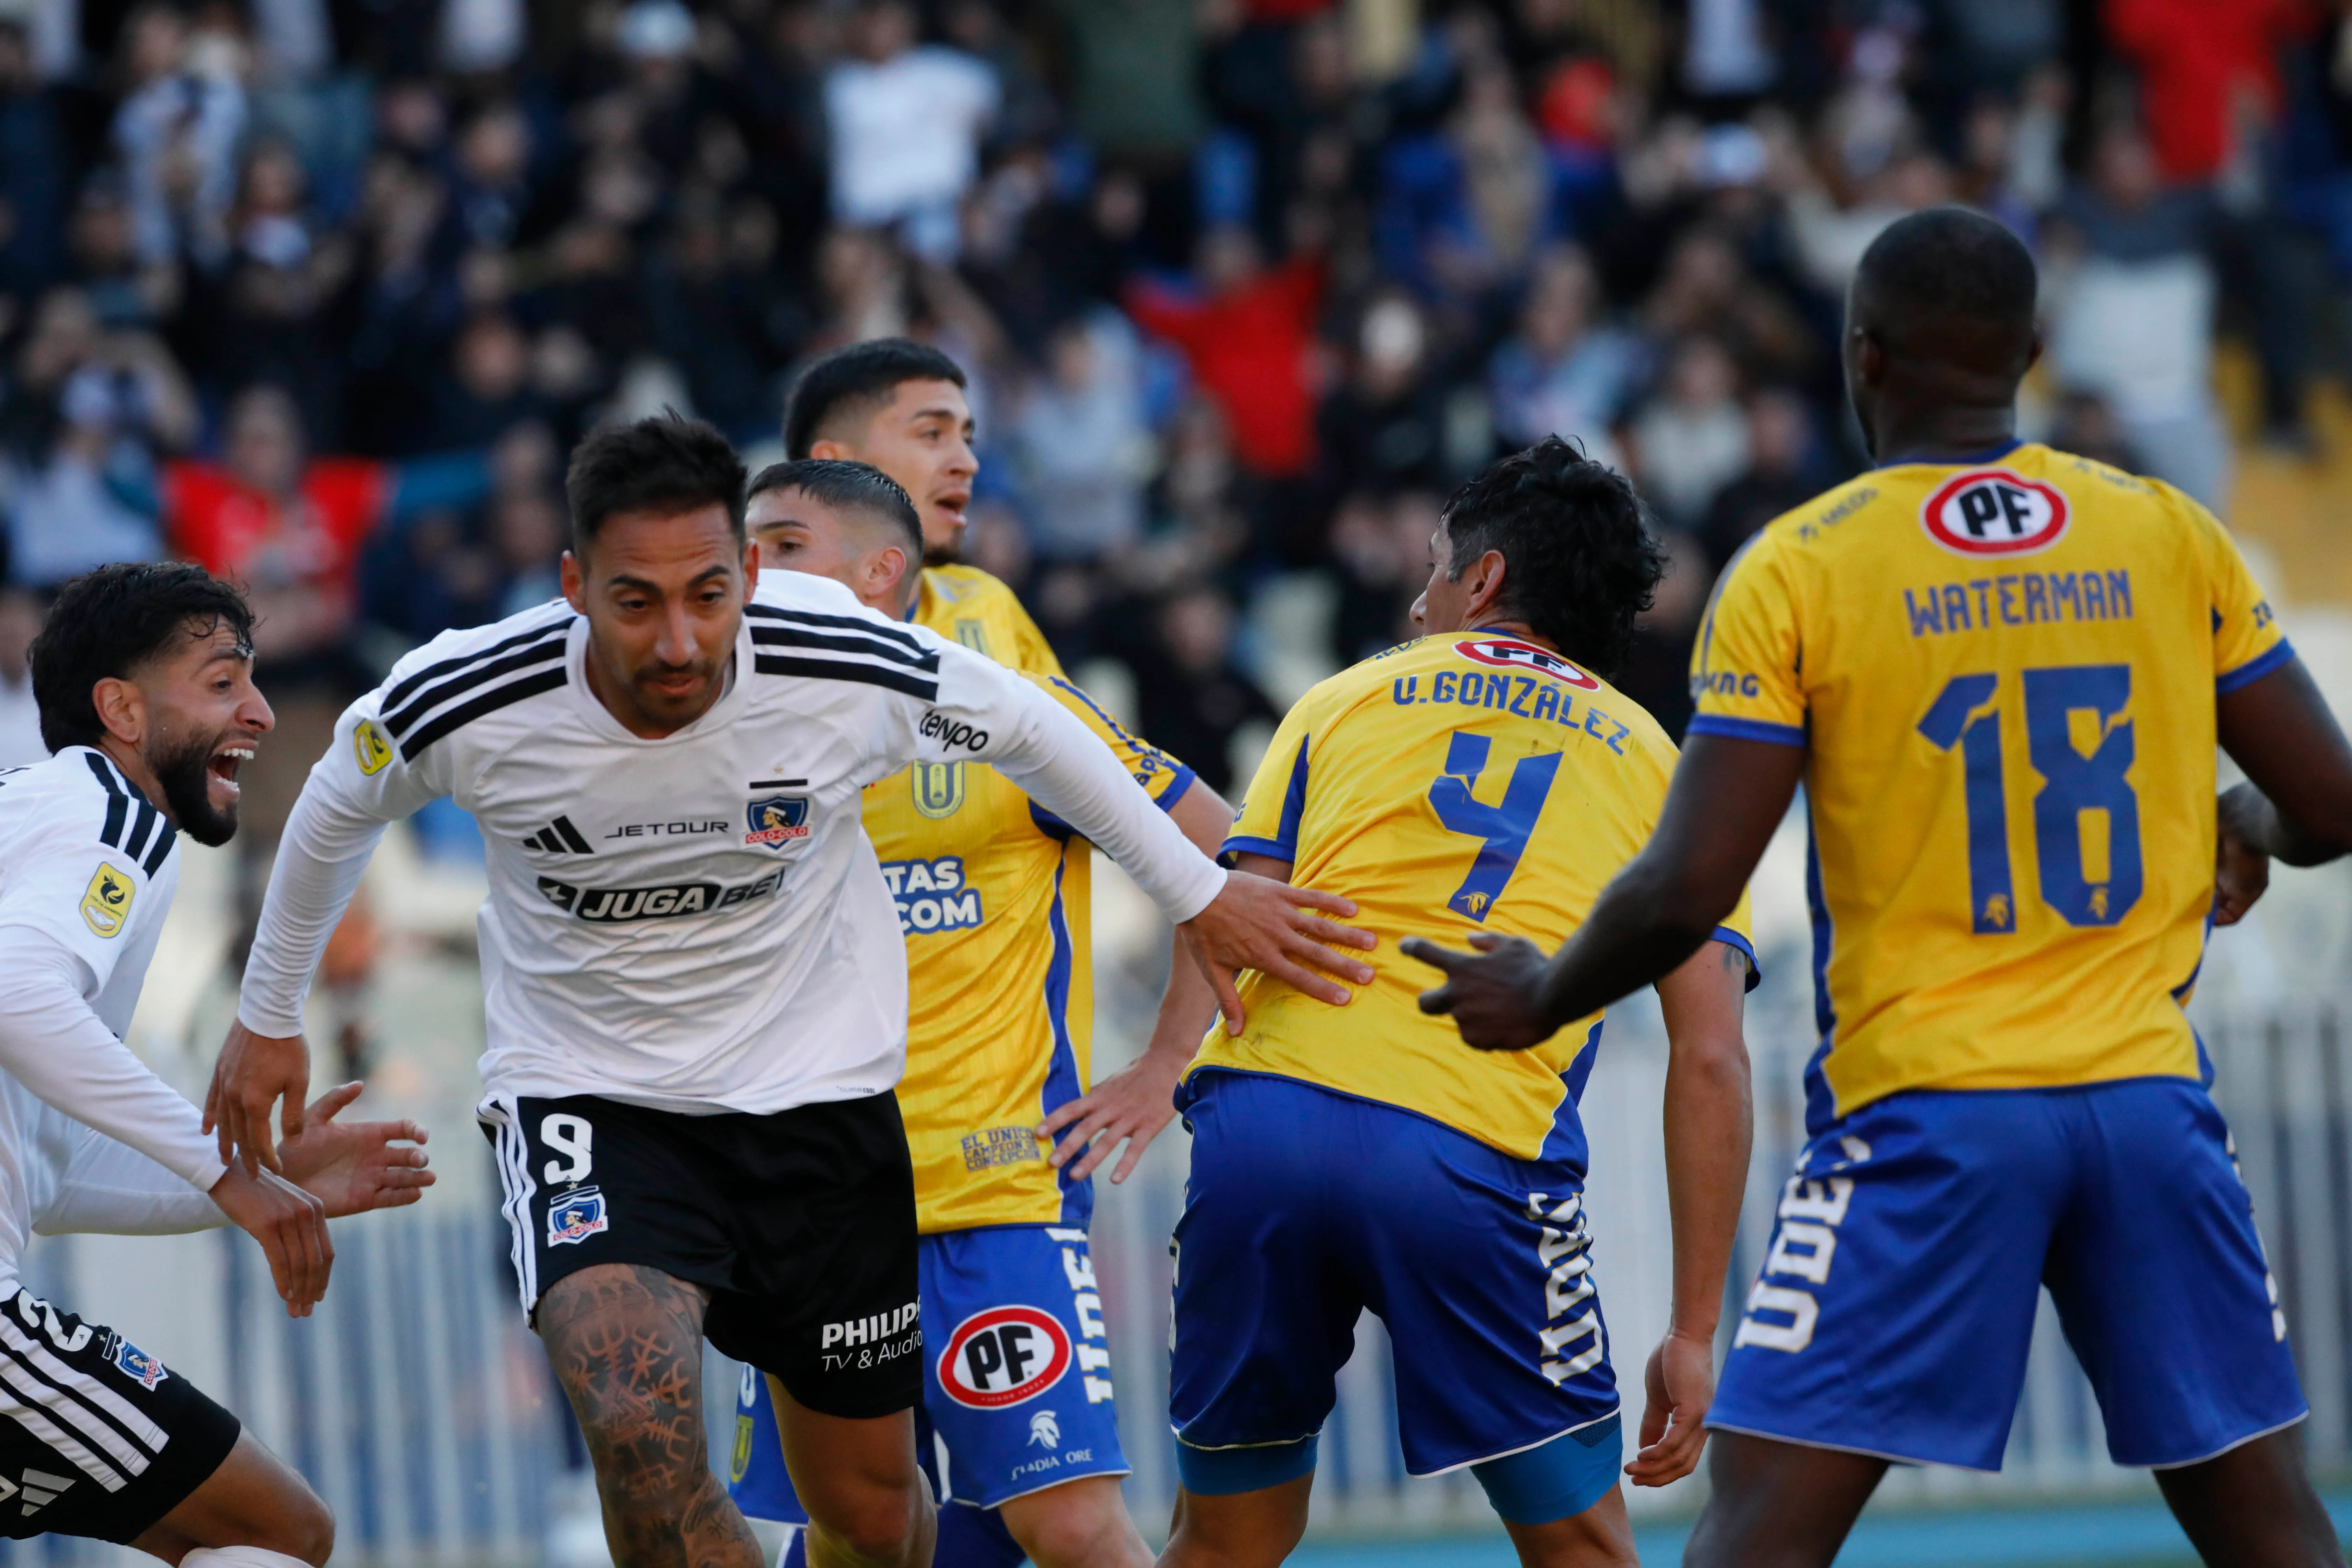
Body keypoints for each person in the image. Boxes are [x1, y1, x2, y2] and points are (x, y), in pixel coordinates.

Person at [204, 414, 1372, 1568]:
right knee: (632, 1415)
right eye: (635, 602)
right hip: (592, 1095)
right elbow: (336, 802)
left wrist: (1192, 892)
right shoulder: (470, 693)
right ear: (571, 584)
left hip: (819, 1104)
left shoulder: (839, 658)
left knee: (867, 1516)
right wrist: (267, 1016)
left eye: (709, 595)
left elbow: (1032, 729)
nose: (677, 642)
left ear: (750, 572)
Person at [1405, 207, 2352, 1568]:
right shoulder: (2166, 532)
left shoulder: (1806, 564)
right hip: (2149, 1102)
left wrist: (1545, 988)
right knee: (2275, 1535)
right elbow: (2331, 804)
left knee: (1755, 1542)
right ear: (2029, 349)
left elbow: (1688, 888)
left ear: (1862, 357)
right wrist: (2241, 819)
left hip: (1931, 1117)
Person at [1161, 438, 1757, 1568]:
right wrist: (1691, 1328)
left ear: (1481, 581)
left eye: (1435, 565)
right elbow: (1714, 1058)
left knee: (1222, 1543)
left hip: (1262, 1132)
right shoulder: (1656, 761)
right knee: (1583, 1546)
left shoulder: (1336, 701)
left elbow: (1231, 934)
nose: (1417, 593)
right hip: (1468, 1152)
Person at [732, 458, 1236, 1568]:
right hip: (805, 1210)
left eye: (782, 545)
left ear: (883, 572)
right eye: (746, 548)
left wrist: (1167, 1062)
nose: (751, 571)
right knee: (859, 1534)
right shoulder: (717, 733)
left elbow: (1223, 850)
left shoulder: (1005, 708)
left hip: (992, 1189)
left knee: (1066, 1521)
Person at [0, 561, 432, 1560]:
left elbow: (49, 1175)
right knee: (276, 1530)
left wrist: (259, 1173)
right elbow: (16, 997)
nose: (265, 714)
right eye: (223, 681)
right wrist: (225, 1176)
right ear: (122, 710)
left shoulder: (39, 819)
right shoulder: (109, 815)